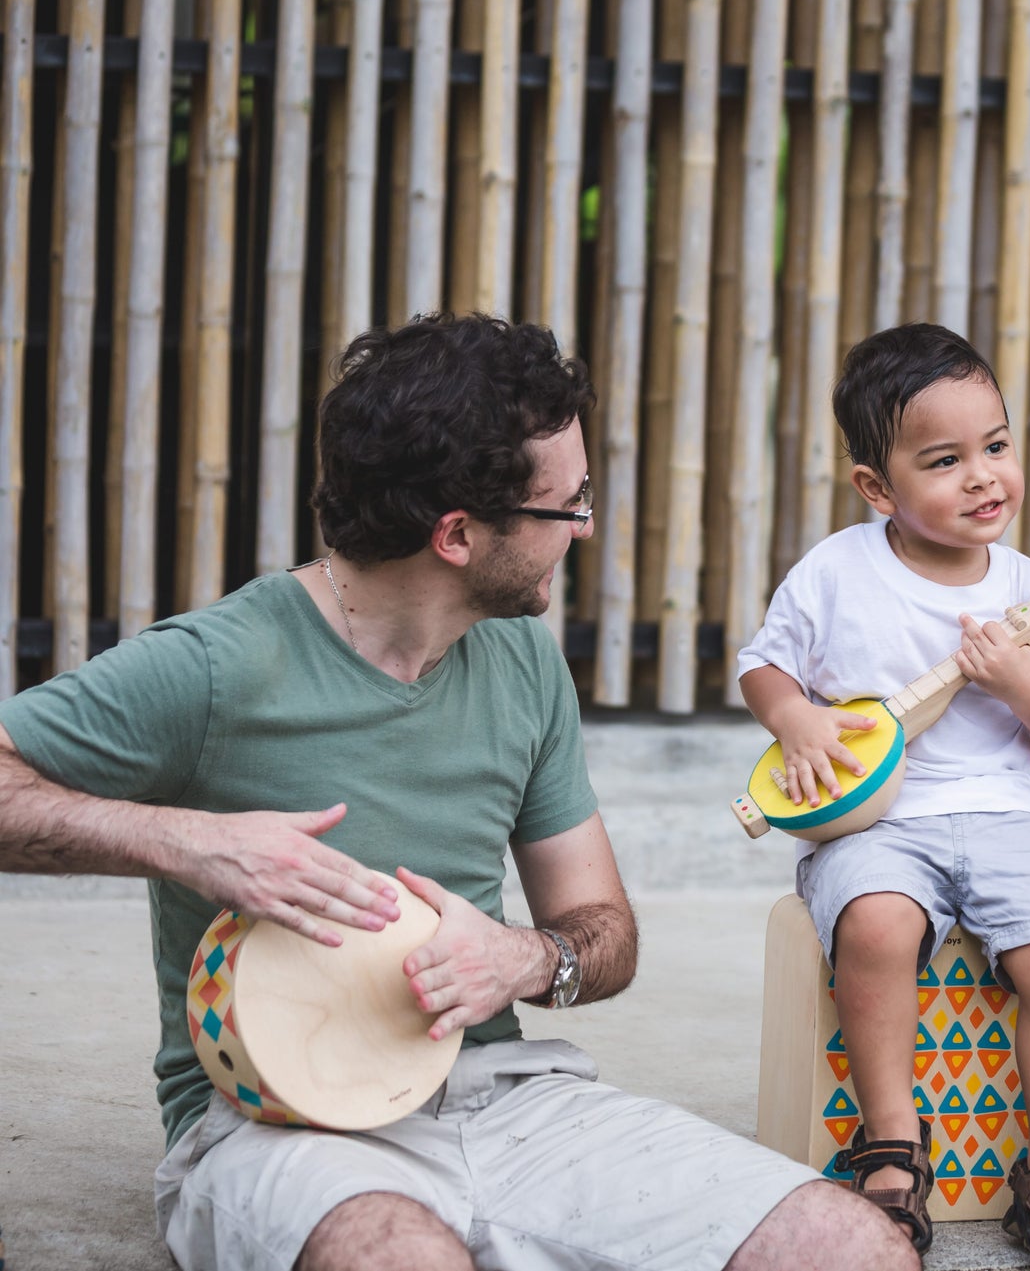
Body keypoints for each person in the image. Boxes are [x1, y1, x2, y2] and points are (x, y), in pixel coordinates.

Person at [0, 314, 916, 1271]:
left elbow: (602, 929)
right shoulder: (216, 664)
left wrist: (523, 959)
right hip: (276, 1123)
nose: (588, 526)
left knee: (850, 1244)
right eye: (570, 505)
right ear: (456, 534)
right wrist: (191, 843)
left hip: (508, 1096)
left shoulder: (523, 659)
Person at [737, 323, 1030, 1264]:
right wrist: (796, 720)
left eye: (996, 445)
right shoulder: (837, 569)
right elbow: (764, 667)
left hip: (1005, 809)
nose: (984, 476)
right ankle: (892, 1143)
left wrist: (1026, 689)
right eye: (945, 460)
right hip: (877, 818)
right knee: (874, 926)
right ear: (879, 486)